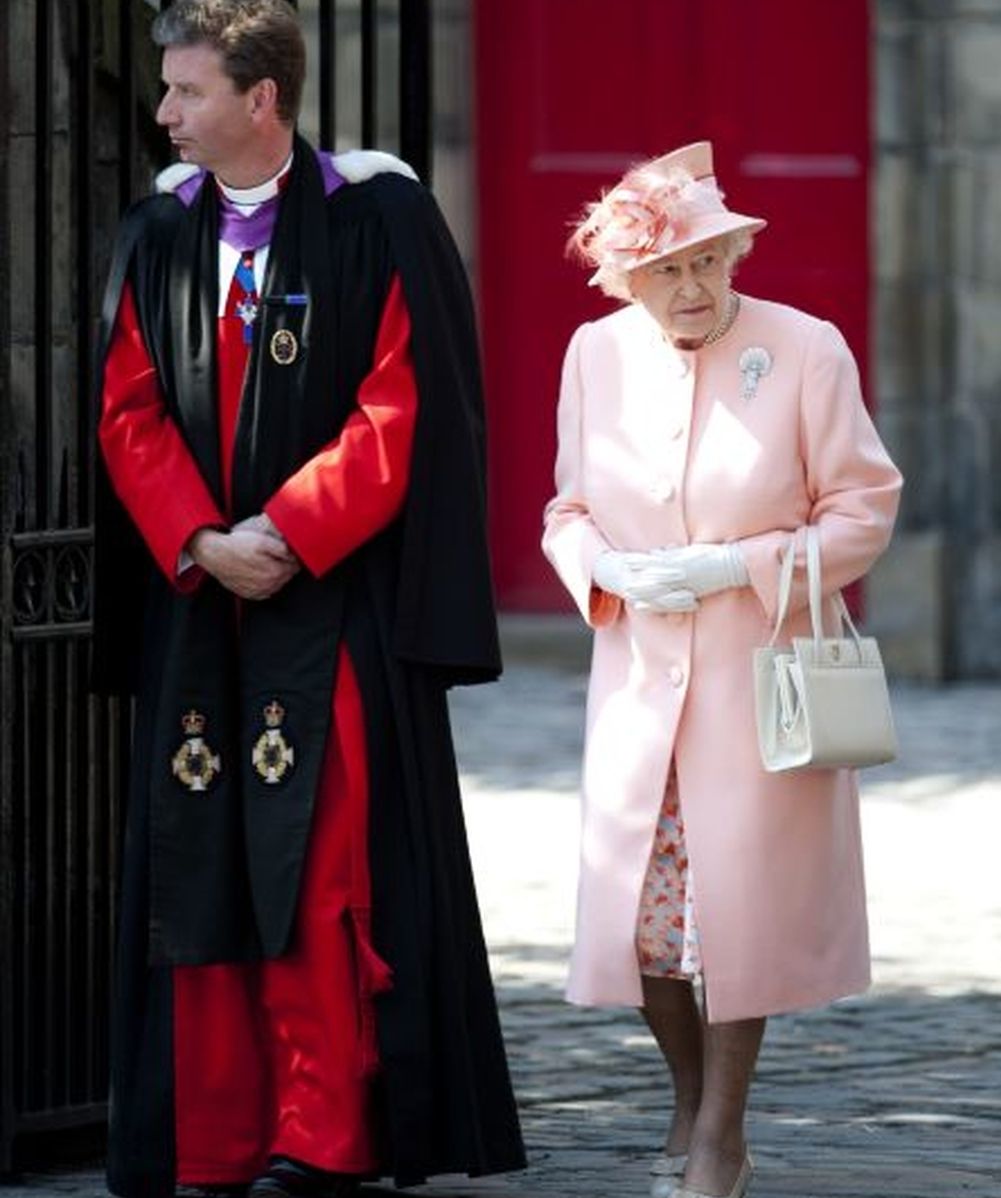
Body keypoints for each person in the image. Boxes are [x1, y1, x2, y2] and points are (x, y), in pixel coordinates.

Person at [92, 2, 524, 1195]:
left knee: (318, 866)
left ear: (260, 99)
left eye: (184, 92)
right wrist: (197, 539)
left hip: (325, 604)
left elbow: (399, 408)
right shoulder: (156, 230)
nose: (166, 113)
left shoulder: (373, 220)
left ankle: (322, 1131)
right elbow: (126, 408)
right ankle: (215, 1134)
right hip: (201, 605)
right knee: (205, 860)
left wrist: (283, 532)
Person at [542, 141, 902, 1198]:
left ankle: (719, 1139)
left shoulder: (805, 349)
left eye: (707, 261)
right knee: (645, 927)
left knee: (733, 917)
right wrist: (602, 567)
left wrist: (735, 565)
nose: (691, 287)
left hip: (758, 677)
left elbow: (862, 508)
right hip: (637, 684)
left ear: (737, 252)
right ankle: (687, 1100)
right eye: (665, 271)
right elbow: (567, 510)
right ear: (626, 280)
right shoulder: (592, 354)